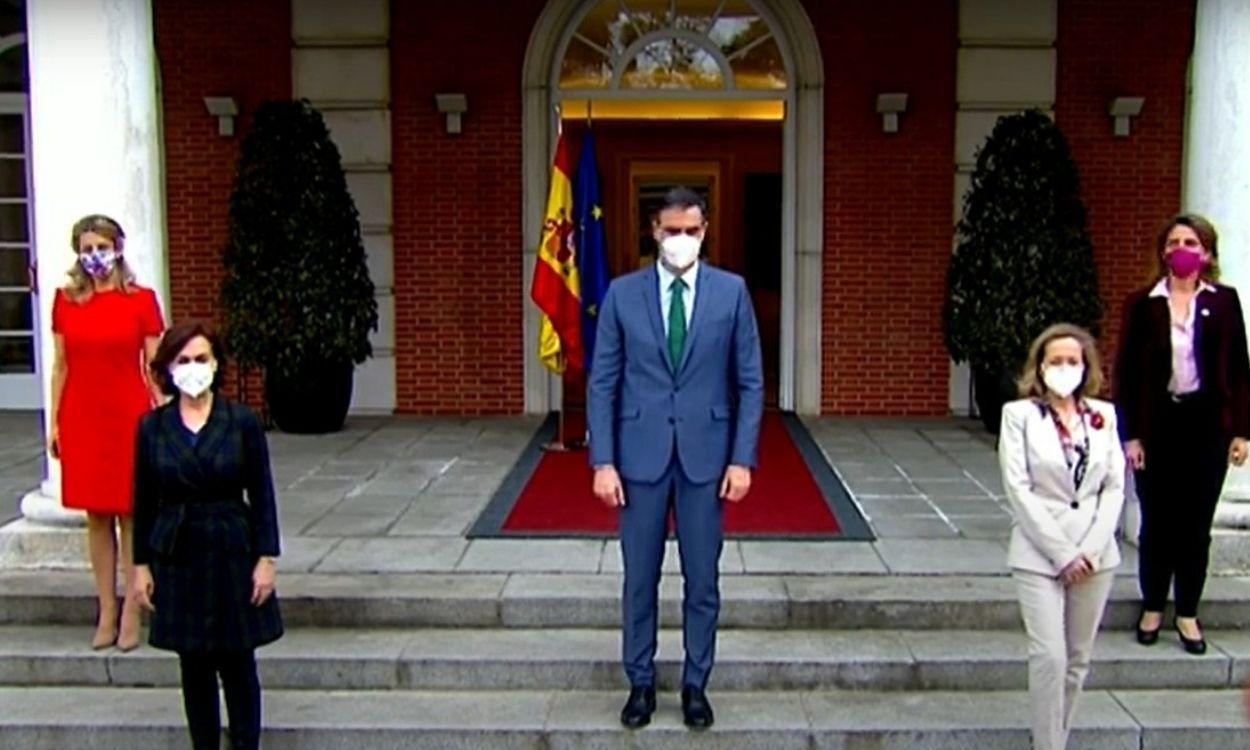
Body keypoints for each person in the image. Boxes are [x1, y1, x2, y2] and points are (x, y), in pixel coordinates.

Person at [587, 186, 764, 731]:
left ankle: (695, 683)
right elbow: (603, 383)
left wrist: (742, 459)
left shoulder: (732, 294)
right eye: (671, 231)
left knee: (702, 581)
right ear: (654, 232)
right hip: (638, 459)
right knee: (639, 579)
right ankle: (640, 682)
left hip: (706, 462)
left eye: (691, 230)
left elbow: (750, 382)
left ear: (704, 231)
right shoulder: (622, 294)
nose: (680, 239)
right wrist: (603, 462)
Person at [131, 321, 283, 750]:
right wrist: (140, 565)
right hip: (179, 554)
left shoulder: (241, 422)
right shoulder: (152, 428)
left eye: (201, 359)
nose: (193, 368)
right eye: (184, 361)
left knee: (238, 665)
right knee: (194, 666)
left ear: (216, 364)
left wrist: (266, 557)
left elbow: (262, 491)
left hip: (232, 547)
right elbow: (143, 501)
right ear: (168, 368)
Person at [1115, 213, 1250, 654]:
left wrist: (1242, 432)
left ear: (1206, 252)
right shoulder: (1143, 303)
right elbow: (1127, 374)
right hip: (1158, 428)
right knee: (1158, 523)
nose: (1181, 248)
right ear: (1163, 250)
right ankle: (1153, 605)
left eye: (1190, 241)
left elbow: (1240, 370)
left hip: (1207, 428)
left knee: (1195, 526)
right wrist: (1131, 435)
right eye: (1173, 240)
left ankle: (1188, 613)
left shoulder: (1225, 302)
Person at [999, 323, 1125, 750]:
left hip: (1095, 553)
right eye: (1056, 361)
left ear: (1086, 366)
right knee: (1050, 657)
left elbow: (1114, 487)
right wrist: (1062, 553)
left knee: (1077, 660)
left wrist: (1088, 549)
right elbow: (1018, 488)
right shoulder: (1018, 417)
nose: (1065, 368)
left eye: (1073, 361)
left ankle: (1057, 738)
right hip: (1039, 552)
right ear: (1040, 366)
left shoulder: (1103, 415)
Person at [49, 214, 164, 650]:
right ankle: (106, 608)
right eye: (86, 247)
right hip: (83, 413)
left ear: (117, 247)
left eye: (102, 245)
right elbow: (61, 365)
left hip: (127, 414)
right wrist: (55, 421)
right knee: (96, 515)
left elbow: (154, 364)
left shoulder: (141, 300)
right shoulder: (66, 300)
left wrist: (165, 412)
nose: (94, 255)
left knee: (130, 511)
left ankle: (134, 606)